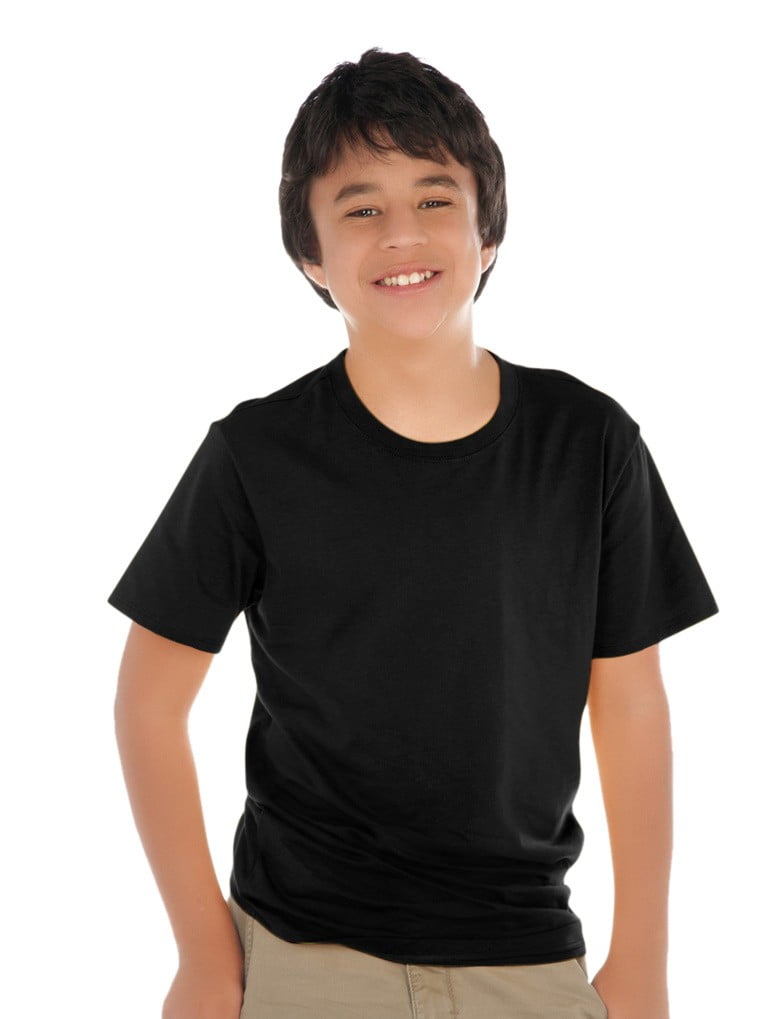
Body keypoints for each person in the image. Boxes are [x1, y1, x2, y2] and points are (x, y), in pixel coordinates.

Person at [108, 47, 719, 1019]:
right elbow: (149, 700)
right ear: (310, 254)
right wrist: (204, 954)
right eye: (360, 208)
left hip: (526, 955)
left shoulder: (589, 442)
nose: (402, 233)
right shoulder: (254, 454)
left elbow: (631, 702)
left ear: (487, 230)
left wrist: (641, 960)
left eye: (435, 198)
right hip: (301, 953)